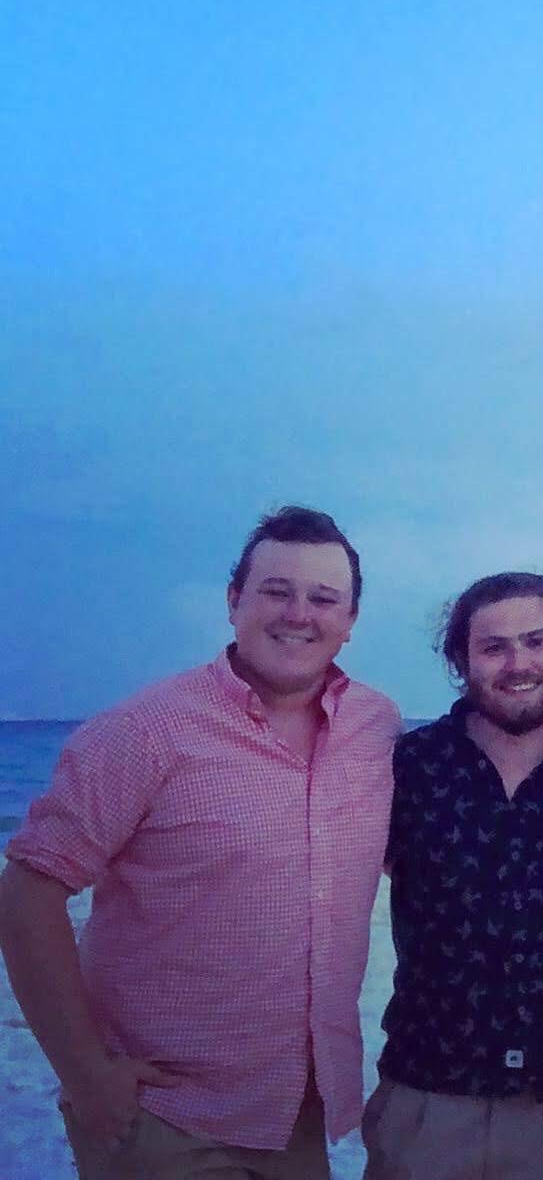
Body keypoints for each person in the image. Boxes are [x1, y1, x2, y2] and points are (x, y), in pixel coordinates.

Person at [0, 505, 401, 1180]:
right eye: (276, 591)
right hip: (165, 1120)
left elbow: (415, 855)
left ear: (351, 619)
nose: (298, 614)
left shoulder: (377, 727)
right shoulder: (145, 731)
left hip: (299, 1116)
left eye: (323, 598)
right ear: (234, 600)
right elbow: (27, 892)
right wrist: (86, 1073)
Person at [365, 572, 543, 1180]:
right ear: (461, 660)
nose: (518, 663)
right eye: (494, 647)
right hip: (426, 1097)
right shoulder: (409, 767)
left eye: (537, 641)